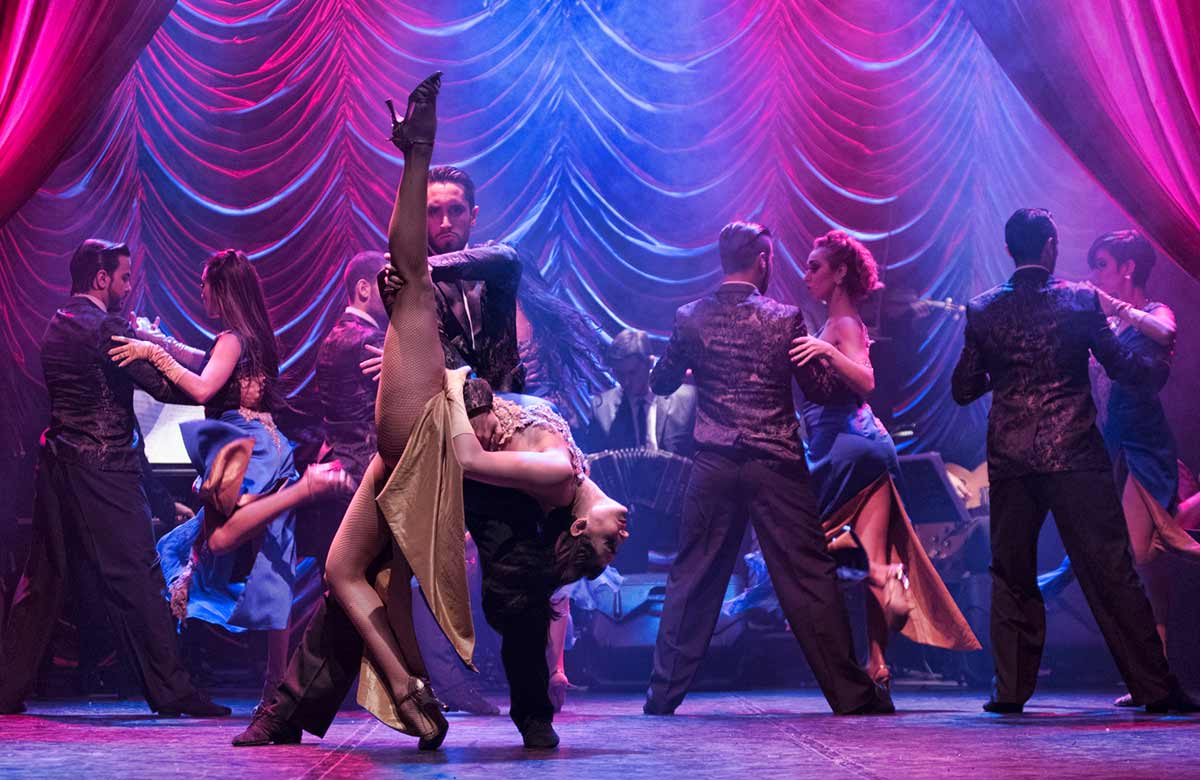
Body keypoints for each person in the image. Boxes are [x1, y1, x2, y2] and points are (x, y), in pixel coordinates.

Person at [312, 72, 629, 751]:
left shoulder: (491, 266)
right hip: (423, 443)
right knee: (343, 572)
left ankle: (533, 714)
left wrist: (418, 274)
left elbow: (473, 263)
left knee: (514, 592)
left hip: (487, 441)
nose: (444, 220)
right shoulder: (407, 284)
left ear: (473, 216)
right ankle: (331, 704)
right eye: (432, 213)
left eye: (455, 210)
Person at [643, 221, 893, 717]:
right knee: (808, 577)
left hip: (714, 462)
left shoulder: (690, 317)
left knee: (693, 576)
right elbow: (822, 391)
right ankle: (850, 695)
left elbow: (663, 382)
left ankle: (662, 695)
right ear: (762, 261)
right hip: (774, 462)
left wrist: (694, 366)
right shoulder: (784, 318)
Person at [951, 208, 1193, 714]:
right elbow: (1123, 366)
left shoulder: (983, 310)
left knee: (1011, 573)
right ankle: (1155, 686)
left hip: (1013, 459)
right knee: (1110, 570)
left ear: (1009, 249)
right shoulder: (1079, 301)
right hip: (1074, 456)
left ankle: (1009, 692)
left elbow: (963, 388)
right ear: (1050, 247)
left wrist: (1009, 369)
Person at [108, 249, 352, 709]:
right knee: (273, 562)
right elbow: (207, 361)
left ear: (221, 288)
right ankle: (277, 685)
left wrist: (150, 354)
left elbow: (201, 386)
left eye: (204, 285)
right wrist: (158, 342)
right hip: (271, 445)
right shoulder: (254, 336)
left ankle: (263, 678)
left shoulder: (233, 338)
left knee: (214, 544)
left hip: (247, 450)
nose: (200, 294)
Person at [0, 240, 228, 717]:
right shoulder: (107, 326)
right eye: (124, 278)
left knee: (42, 579)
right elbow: (166, 388)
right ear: (101, 279)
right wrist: (166, 351)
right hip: (103, 470)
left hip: (59, 467)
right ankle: (173, 690)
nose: (128, 287)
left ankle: (6, 686)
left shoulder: (57, 324)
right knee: (139, 578)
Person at [791, 230, 979, 690]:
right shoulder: (835, 325)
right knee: (874, 562)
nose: (806, 273)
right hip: (857, 448)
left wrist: (826, 351)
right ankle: (877, 663)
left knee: (817, 552)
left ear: (839, 274)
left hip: (850, 450)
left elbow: (867, 382)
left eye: (816, 266)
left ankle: (867, 645)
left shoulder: (844, 326)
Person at [1038, 229, 1200, 706]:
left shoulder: (1154, 312)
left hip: (1144, 448)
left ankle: (1151, 674)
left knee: (1142, 552)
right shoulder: (1107, 329)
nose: (1095, 274)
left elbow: (1167, 335)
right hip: (1114, 450)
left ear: (1127, 268)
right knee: (1153, 571)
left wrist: (1114, 307)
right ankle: (1155, 676)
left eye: (1102, 264)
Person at [584, 328, 696, 455]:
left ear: (650, 362)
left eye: (632, 373)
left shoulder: (688, 399)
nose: (626, 382)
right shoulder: (601, 408)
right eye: (619, 374)